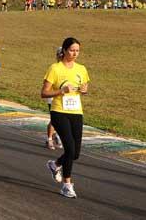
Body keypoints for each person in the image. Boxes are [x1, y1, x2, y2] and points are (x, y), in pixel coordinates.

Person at [41, 37, 89, 198]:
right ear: (64, 51)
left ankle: (55, 164)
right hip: (59, 112)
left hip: (76, 111)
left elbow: (85, 87)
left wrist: (83, 90)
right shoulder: (55, 68)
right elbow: (44, 93)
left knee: (75, 153)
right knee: (69, 148)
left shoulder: (81, 69)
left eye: (77, 50)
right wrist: (61, 91)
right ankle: (67, 185)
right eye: (72, 50)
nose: (75, 53)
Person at [45, 47, 64, 150]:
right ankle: (49, 139)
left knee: (61, 119)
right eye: (60, 55)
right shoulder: (54, 68)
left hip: (64, 98)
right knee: (54, 119)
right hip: (52, 96)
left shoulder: (69, 67)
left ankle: (55, 134)